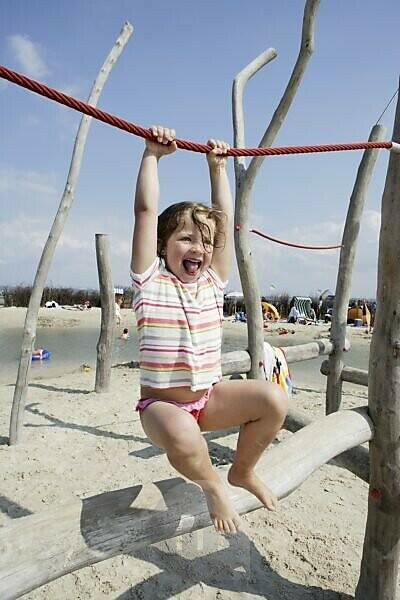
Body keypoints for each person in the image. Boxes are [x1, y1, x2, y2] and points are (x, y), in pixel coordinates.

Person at [131, 125, 288, 535]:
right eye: (185, 238)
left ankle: (242, 471)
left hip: (209, 398)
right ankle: (213, 485)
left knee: (273, 399)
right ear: (163, 246)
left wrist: (217, 170)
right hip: (162, 409)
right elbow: (146, 212)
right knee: (184, 434)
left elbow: (225, 223)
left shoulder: (213, 283)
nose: (198, 248)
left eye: (204, 241)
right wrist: (151, 155)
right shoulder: (150, 281)